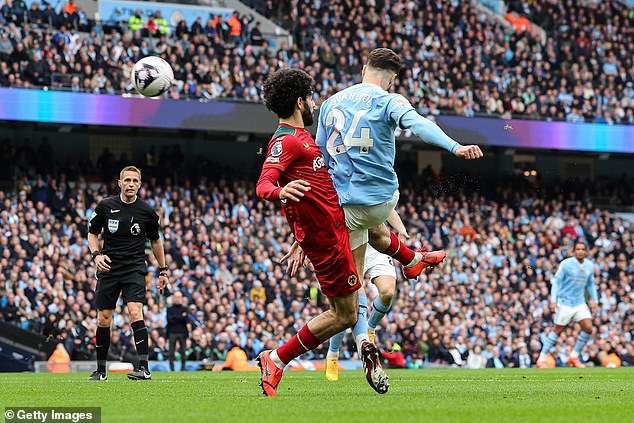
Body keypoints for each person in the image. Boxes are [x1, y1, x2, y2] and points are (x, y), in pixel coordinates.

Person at [255, 69, 388, 396]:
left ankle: (414, 261)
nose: (313, 103)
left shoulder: (303, 139)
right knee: (343, 314)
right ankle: (276, 358)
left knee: (352, 298)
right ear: (300, 101)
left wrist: (298, 236)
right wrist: (280, 193)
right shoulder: (285, 140)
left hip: (330, 232)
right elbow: (263, 185)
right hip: (327, 242)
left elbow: (312, 195)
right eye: (310, 97)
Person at [314, 47, 483, 289]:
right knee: (371, 232)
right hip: (381, 200)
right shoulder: (389, 100)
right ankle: (412, 259)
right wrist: (455, 147)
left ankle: (358, 325)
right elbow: (419, 124)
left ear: (364, 71)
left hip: (348, 202)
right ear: (392, 80)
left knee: (348, 289)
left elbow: (320, 155)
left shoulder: (330, 103)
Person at [86, 166, 169, 381]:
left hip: (134, 268)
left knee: (134, 313)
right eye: (127, 180)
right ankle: (101, 371)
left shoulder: (147, 212)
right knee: (104, 319)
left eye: (135, 181)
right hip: (109, 268)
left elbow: (155, 241)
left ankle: (144, 368)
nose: (131, 184)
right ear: (119, 183)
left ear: (140, 184)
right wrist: (96, 255)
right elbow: (92, 233)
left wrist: (163, 269)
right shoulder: (106, 206)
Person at [537, 242, 598, 368]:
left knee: (588, 328)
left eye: (583, 249)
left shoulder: (589, 266)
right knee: (557, 329)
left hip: (580, 302)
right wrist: (554, 300)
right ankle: (541, 358)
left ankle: (574, 356)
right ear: (573, 251)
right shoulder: (566, 264)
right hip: (565, 302)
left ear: (586, 252)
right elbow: (556, 282)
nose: (580, 251)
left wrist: (595, 301)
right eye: (578, 249)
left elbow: (590, 284)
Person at [167, 290, 189, 372]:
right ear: (173, 298)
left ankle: (183, 368)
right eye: (176, 297)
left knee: (183, 351)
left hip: (182, 332)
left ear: (182, 298)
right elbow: (170, 320)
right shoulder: (169, 309)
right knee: (171, 352)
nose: (177, 299)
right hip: (172, 332)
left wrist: (176, 317)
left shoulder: (185, 308)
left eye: (179, 297)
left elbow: (186, 319)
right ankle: (171, 368)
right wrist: (180, 317)